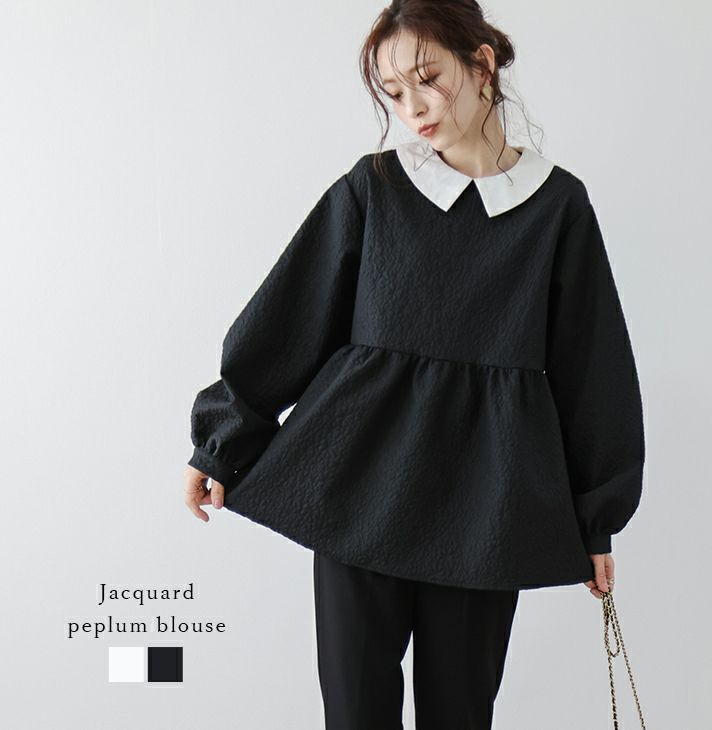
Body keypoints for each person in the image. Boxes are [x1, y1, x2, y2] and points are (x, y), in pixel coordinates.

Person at [183, 1, 646, 727]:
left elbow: (593, 370)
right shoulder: (375, 188)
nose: (412, 108)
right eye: (394, 92)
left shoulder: (557, 206)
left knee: (459, 714)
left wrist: (597, 520)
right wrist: (222, 441)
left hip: (484, 508)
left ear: (482, 63)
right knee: (355, 713)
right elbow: (291, 317)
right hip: (359, 487)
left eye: (427, 79)